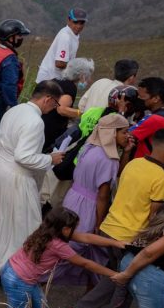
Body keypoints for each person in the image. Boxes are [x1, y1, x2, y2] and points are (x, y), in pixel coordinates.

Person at [69, 129, 164, 308]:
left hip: (109, 227)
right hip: (129, 237)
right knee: (125, 286)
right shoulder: (163, 179)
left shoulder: (134, 163)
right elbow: (154, 219)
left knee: (115, 275)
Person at [0, 82, 65, 277]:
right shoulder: (36, 122)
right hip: (16, 176)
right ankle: (9, 267)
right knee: (20, 222)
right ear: (47, 99)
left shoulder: (15, 110)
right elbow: (24, 156)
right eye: (55, 104)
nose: (54, 109)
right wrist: (49, 159)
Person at [51, 114, 130, 286]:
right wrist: (99, 223)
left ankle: (42, 278)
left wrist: (127, 152)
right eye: (124, 132)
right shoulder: (109, 159)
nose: (127, 136)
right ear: (111, 133)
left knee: (63, 242)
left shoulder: (89, 148)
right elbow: (103, 196)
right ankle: (44, 280)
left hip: (72, 198)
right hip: (88, 206)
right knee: (78, 248)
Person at [42, 57, 94, 152]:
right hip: (50, 130)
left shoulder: (55, 81)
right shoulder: (69, 87)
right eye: (88, 76)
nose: (89, 80)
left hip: (42, 124)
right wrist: (83, 113)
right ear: (82, 75)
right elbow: (61, 109)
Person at [125, 77, 164, 164]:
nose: (138, 99)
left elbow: (124, 136)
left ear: (156, 99)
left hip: (145, 167)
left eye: (141, 97)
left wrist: (121, 111)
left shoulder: (154, 119)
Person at [35, 8, 87, 83]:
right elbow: (60, 63)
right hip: (49, 79)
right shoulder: (65, 37)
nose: (78, 26)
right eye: (75, 22)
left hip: (57, 78)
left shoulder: (73, 35)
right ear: (69, 20)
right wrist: (77, 70)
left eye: (81, 23)